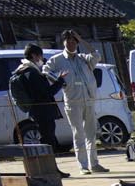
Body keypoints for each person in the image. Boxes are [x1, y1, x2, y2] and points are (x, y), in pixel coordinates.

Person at [53, 30, 103, 172]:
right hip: (73, 102)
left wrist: (81, 39)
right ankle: (83, 166)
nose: (71, 44)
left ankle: (94, 164)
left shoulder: (83, 58)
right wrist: (60, 81)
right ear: (63, 42)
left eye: (74, 41)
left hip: (88, 100)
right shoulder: (57, 60)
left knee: (91, 134)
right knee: (78, 134)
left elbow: (96, 55)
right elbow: (46, 71)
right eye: (68, 41)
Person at [6, 44, 61, 152]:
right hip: (43, 111)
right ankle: (47, 160)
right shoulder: (31, 72)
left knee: (45, 137)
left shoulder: (23, 70)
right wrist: (60, 81)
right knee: (48, 139)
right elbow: (46, 93)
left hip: (35, 111)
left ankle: (46, 160)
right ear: (34, 56)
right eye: (40, 56)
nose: (42, 59)